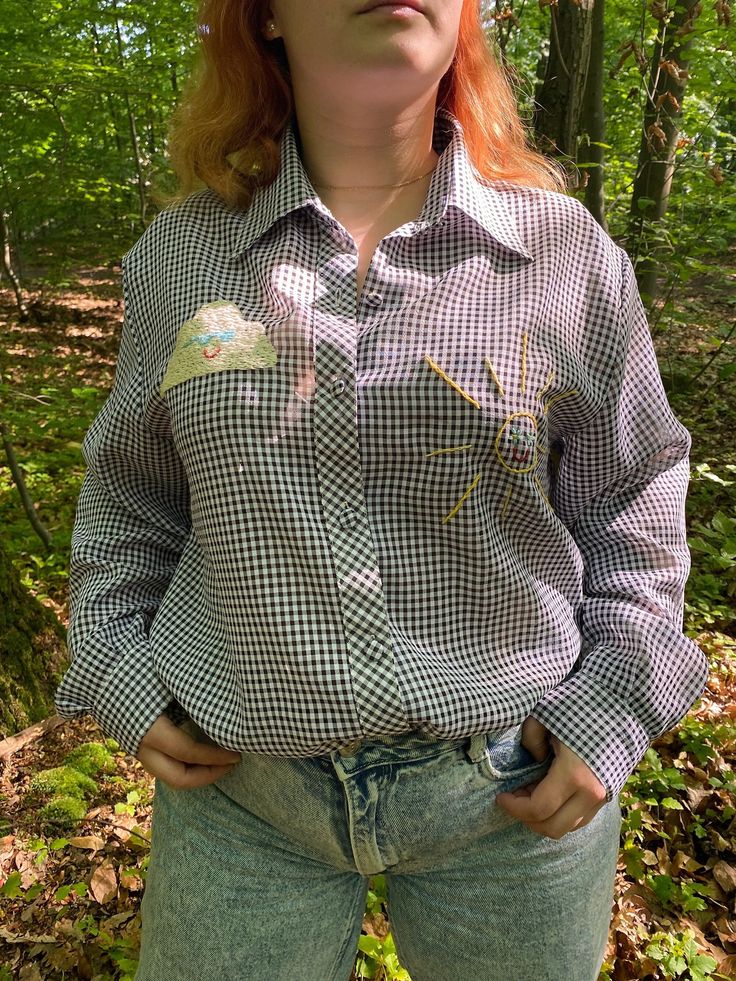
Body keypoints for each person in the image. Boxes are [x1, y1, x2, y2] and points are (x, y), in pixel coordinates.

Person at [53, 1, 709, 979]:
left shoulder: (565, 258)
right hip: (242, 802)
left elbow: (636, 492)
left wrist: (615, 701)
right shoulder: (179, 261)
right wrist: (117, 667)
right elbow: (131, 498)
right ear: (266, 16)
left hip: (512, 797)